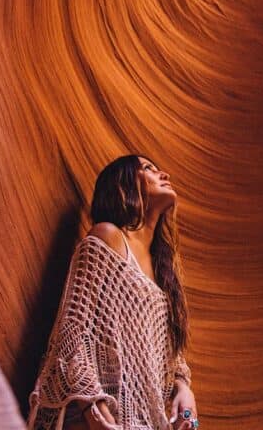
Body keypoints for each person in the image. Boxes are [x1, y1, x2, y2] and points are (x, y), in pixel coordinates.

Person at [26, 154, 199, 430]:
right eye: (148, 169)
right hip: (95, 415)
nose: (163, 174)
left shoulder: (163, 272)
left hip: (142, 420)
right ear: (124, 185)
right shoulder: (107, 237)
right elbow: (72, 330)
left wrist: (183, 389)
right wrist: (92, 408)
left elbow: (170, 357)